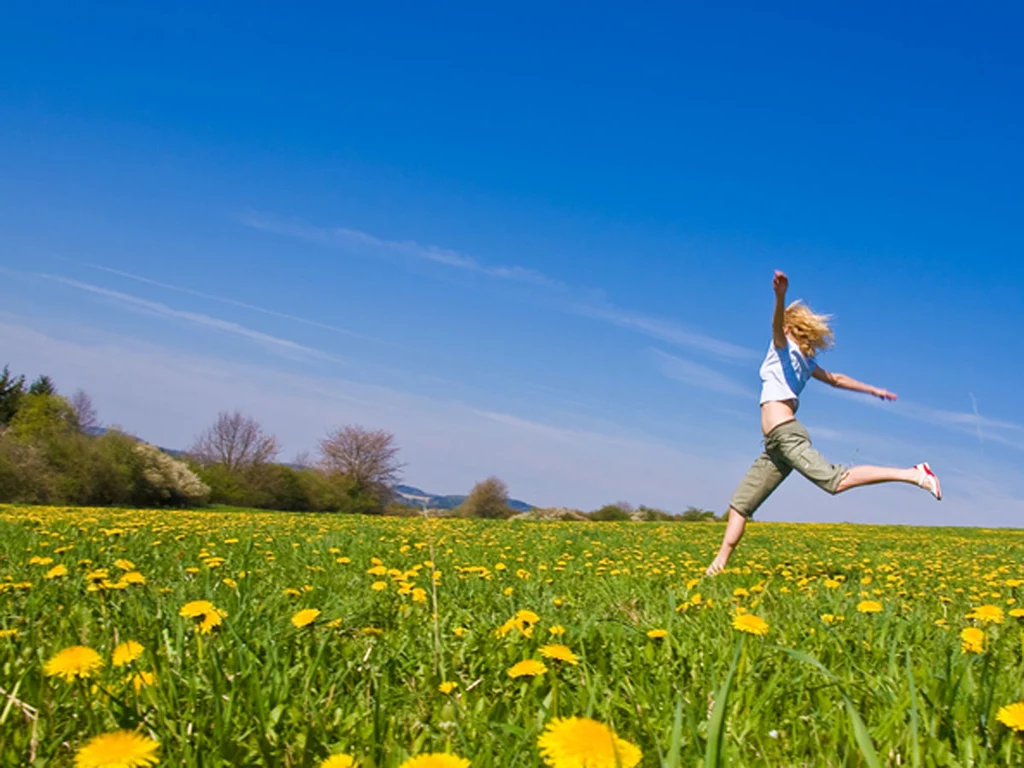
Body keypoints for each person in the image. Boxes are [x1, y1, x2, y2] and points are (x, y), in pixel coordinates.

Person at [705, 270, 941, 576]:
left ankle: (914, 474)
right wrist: (873, 390)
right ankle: (717, 567)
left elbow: (775, 325)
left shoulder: (783, 347)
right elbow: (837, 380)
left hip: (788, 437)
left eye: (783, 326)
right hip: (775, 446)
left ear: (789, 329)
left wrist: (779, 296)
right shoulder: (805, 362)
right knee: (740, 503)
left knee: (835, 481)